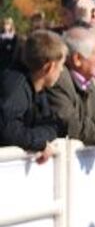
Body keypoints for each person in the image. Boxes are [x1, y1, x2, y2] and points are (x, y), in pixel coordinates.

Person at [0, 29, 67, 161]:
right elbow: (8, 131)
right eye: (61, 65)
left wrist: (41, 140)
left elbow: (51, 125)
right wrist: (40, 143)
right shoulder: (16, 86)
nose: (62, 70)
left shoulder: (38, 90)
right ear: (49, 67)